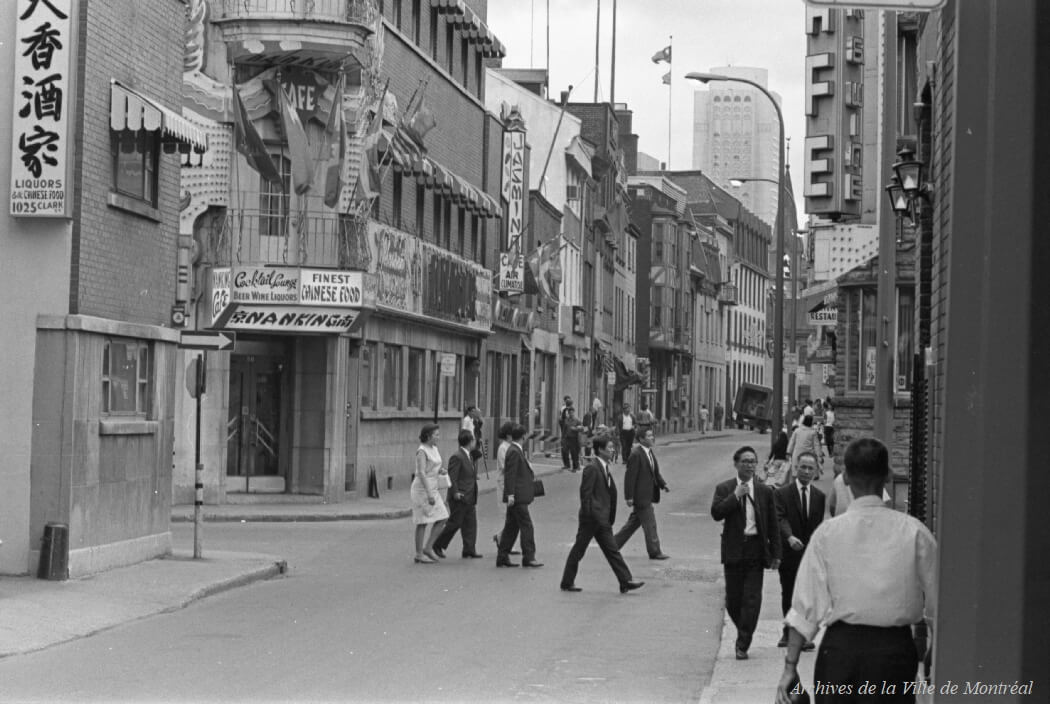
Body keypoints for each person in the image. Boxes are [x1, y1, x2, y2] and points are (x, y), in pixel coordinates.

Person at [775, 438, 937, 704]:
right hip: (894, 654)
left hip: (841, 652)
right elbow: (938, 603)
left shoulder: (827, 534)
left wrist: (790, 667)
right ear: (887, 476)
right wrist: (935, 646)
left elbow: (806, 607)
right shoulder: (916, 532)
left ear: (845, 478)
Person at [711, 445, 782, 660]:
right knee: (733, 599)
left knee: (752, 598)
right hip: (733, 549)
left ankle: (742, 643)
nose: (750, 465)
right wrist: (735, 496)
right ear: (736, 464)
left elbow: (773, 524)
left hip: (755, 549)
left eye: (753, 461)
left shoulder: (764, 491)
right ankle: (744, 629)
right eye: (745, 461)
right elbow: (716, 513)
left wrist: (776, 553)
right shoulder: (725, 488)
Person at [560, 435, 645, 594]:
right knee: (579, 549)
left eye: (613, 447)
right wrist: (588, 514)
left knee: (612, 550)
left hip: (602, 519)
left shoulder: (604, 467)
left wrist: (607, 517)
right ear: (600, 450)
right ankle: (567, 581)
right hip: (591, 518)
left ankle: (625, 581)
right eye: (610, 448)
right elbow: (585, 494)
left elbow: (609, 493)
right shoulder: (592, 468)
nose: (613, 450)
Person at [773, 452, 825, 650]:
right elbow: (780, 518)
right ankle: (788, 633)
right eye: (803, 467)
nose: (806, 471)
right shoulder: (782, 493)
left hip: (808, 555)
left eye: (810, 468)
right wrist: (789, 537)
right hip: (788, 554)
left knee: (807, 596)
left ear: (815, 472)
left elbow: (817, 526)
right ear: (796, 468)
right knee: (789, 594)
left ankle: (803, 636)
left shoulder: (819, 497)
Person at [614, 428, 670, 560]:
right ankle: (655, 551)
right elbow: (630, 477)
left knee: (633, 523)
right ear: (641, 439)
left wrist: (663, 484)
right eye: (649, 436)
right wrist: (629, 497)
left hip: (648, 494)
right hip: (641, 496)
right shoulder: (636, 454)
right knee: (650, 524)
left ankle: (613, 545)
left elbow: (655, 472)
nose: (652, 437)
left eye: (652, 435)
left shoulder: (649, 452)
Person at [496, 424, 542, 568]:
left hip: (517, 495)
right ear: (523, 437)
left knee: (511, 527)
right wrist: (510, 494)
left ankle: (502, 556)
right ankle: (529, 557)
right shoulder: (514, 451)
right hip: (517, 496)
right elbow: (510, 475)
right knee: (527, 526)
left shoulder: (515, 449)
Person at [432, 429, 482, 559]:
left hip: (470, 495)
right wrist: (455, 492)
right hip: (460, 495)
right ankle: (437, 544)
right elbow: (452, 477)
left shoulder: (469, 455)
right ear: (470, 442)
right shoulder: (457, 456)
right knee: (455, 523)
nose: (475, 443)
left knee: (471, 523)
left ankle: (469, 549)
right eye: (473, 441)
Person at [410, 423, 450, 564]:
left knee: (443, 516)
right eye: (436, 435)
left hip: (433, 487)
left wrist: (441, 470)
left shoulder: (434, 448)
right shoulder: (422, 450)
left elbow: (433, 466)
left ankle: (428, 547)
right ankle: (419, 553)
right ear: (428, 436)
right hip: (422, 489)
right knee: (422, 521)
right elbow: (421, 472)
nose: (438, 437)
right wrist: (429, 493)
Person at [492, 422, 520, 555]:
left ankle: (501, 537)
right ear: (509, 435)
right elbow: (505, 466)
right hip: (504, 483)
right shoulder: (503, 448)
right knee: (507, 514)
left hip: (512, 484)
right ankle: (505, 542)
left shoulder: (512, 446)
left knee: (512, 515)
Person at [560, 407, 584, 471]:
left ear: (574, 412)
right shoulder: (566, 420)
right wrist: (562, 438)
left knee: (574, 453)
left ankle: (575, 467)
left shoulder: (577, 420)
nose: (571, 414)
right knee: (564, 451)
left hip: (574, 439)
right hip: (567, 438)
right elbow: (564, 429)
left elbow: (582, 429)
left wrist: (575, 429)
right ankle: (567, 465)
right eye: (569, 413)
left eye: (572, 412)